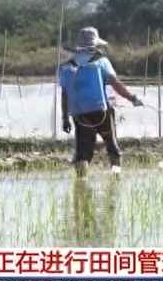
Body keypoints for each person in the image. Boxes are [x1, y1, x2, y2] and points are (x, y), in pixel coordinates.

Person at [59, 27, 144, 176]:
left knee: (83, 152)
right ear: (96, 45)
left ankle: (81, 182)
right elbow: (116, 84)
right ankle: (116, 176)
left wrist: (65, 118)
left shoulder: (67, 66)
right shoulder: (101, 62)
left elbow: (65, 94)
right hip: (101, 111)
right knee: (112, 146)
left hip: (79, 114)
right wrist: (132, 98)